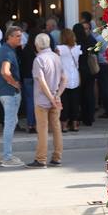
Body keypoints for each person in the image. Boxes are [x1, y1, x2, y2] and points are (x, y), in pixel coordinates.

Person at [29, 33, 66, 168]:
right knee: (56, 128)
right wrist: (57, 96)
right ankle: (57, 157)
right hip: (56, 98)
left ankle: (41, 159)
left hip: (42, 100)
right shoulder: (56, 57)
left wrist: (51, 97)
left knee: (43, 129)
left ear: (37, 44)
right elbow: (64, 79)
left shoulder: (38, 59)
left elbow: (42, 81)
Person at [0, 25, 25, 167]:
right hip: (9, 92)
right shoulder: (7, 52)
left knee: (11, 122)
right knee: (10, 123)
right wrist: (15, 84)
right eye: (17, 36)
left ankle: (7, 155)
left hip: (4, 92)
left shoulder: (5, 50)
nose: (21, 38)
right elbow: (5, 72)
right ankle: (7, 157)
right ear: (9, 37)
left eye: (21, 35)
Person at [57, 28, 81, 132]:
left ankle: (64, 126)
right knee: (75, 102)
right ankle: (75, 125)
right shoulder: (77, 48)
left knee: (64, 103)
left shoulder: (59, 48)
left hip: (63, 79)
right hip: (75, 77)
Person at [73, 22, 97, 126]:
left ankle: (82, 115)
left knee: (80, 95)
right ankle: (90, 117)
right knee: (89, 94)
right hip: (89, 70)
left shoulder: (75, 44)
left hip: (79, 71)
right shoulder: (89, 41)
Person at [18, 24, 39, 133]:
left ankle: (31, 125)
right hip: (38, 77)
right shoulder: (39, 49)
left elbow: (22, 64)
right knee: (39, 101)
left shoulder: (26, 48)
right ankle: (39, 124)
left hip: (27, 77)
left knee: (30, 101)